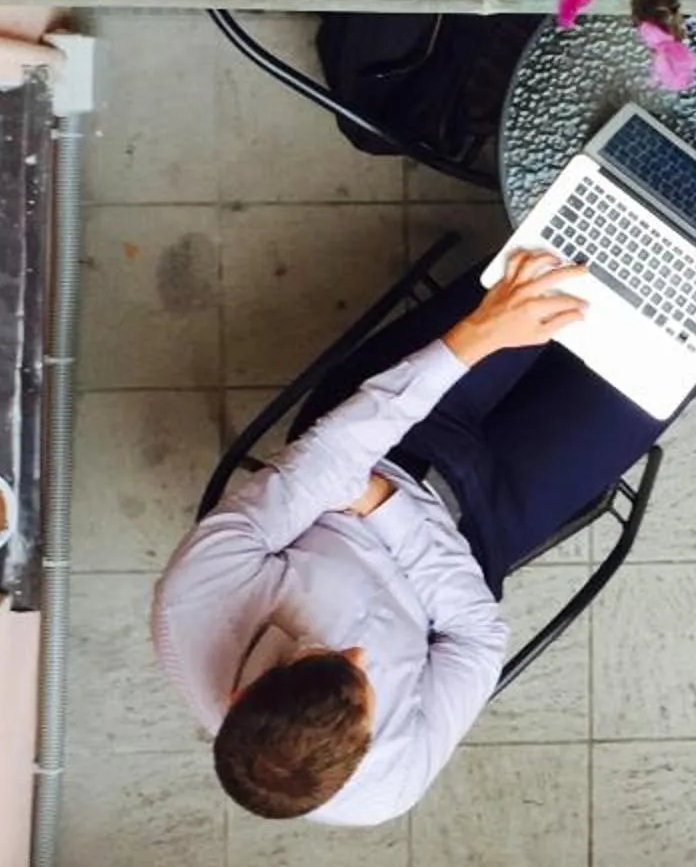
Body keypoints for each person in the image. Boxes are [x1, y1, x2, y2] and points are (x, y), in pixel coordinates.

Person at [152, 248, 666, 825]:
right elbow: (477, 637)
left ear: (239, 696)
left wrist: (479, 334)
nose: (357, 650)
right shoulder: (386, 787)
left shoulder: (193, 602)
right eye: (367, 680)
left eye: (322, 652)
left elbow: (336, 451)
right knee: (668, 357)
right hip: (482, 526)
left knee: (563, 266)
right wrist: (381, 506)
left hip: (395, 439)